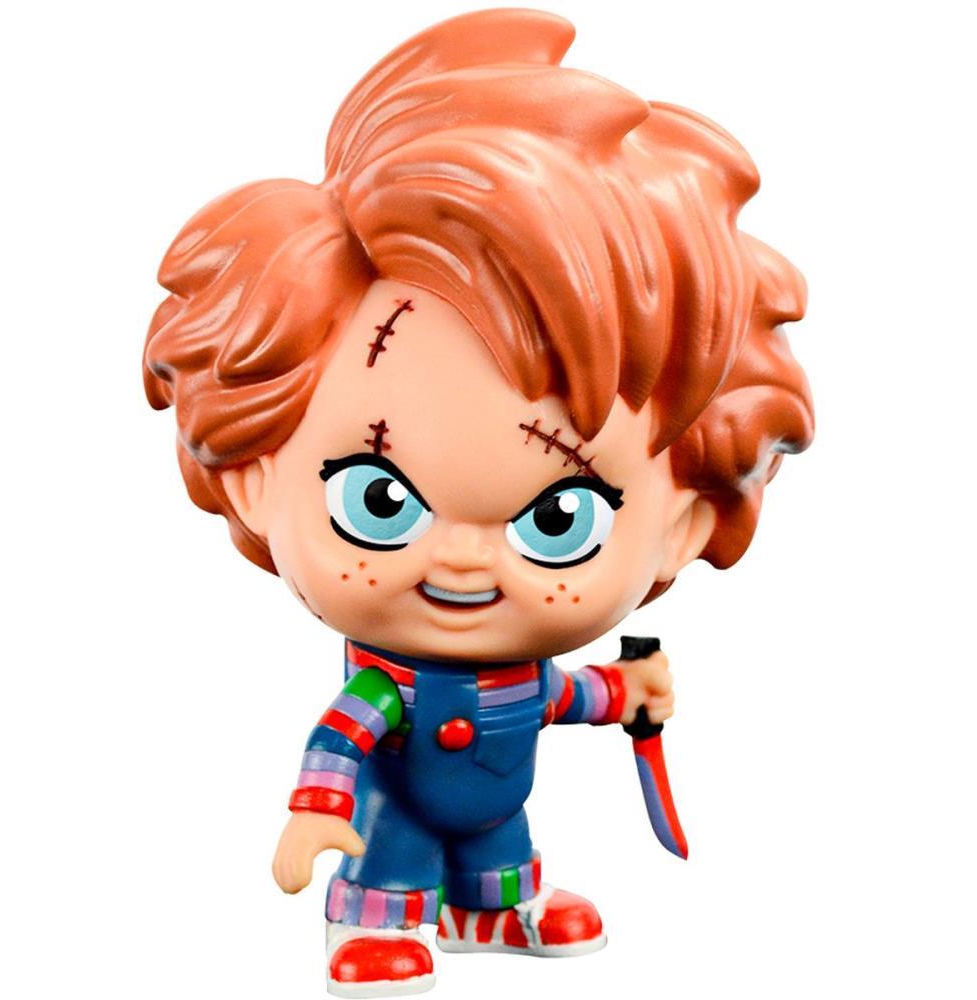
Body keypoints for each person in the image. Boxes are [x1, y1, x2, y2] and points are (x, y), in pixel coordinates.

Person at [143, 9, 813, 997]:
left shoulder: (522, 673)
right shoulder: (386, 691)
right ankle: (376, 917)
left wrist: (626, 694)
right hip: (395, 818)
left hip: (499, 808)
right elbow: (341, 735)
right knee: (396, 850)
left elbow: (562, 697)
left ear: (681, 522)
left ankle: (493, 906)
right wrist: (316, 810)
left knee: (503, 846)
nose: (460, 558)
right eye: (378, 500)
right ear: (255, 472)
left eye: (558, 521)